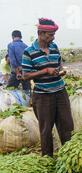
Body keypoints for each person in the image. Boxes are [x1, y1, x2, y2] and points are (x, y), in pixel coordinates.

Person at [22, 18, 73, 157]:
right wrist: (45, 71)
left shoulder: (54, 47)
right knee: (46, 130)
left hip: (60, 92)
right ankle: (47, 159)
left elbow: (59, 66)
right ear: (40, 33)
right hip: (43, 95)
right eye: (50, 35)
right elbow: (25, 76)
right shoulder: (29, 52)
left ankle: (69, 156)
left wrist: (60, 71)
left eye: (53, 35)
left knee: (66, 127)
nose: (53, 37)